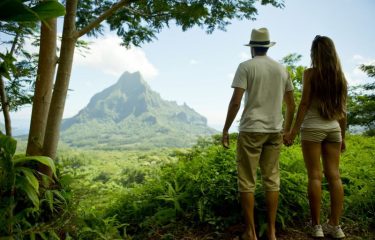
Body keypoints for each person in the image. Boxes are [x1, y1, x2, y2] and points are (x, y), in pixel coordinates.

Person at [222, 27, 295, 240]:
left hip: (251, 130)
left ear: (252, 47)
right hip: (274, 131)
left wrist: (226, 129)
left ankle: (251, 232)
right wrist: (287, 130)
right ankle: (272, 232)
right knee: (272, 180)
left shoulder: (246, 67)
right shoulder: (282, 70)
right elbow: (291, 104)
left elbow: (236, 101)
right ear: (267, 46)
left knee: (247, 180)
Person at [284, 35, 347, 239]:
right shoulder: (340, 76)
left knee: (315, 176)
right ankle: (335, 226)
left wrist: (292, 132)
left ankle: (317, 226)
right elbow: (343, 111)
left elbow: (303, 104)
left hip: (312, 128)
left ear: (314, 53)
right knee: (334, 176)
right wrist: (342, 137)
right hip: (333, 129)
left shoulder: (310, 74)